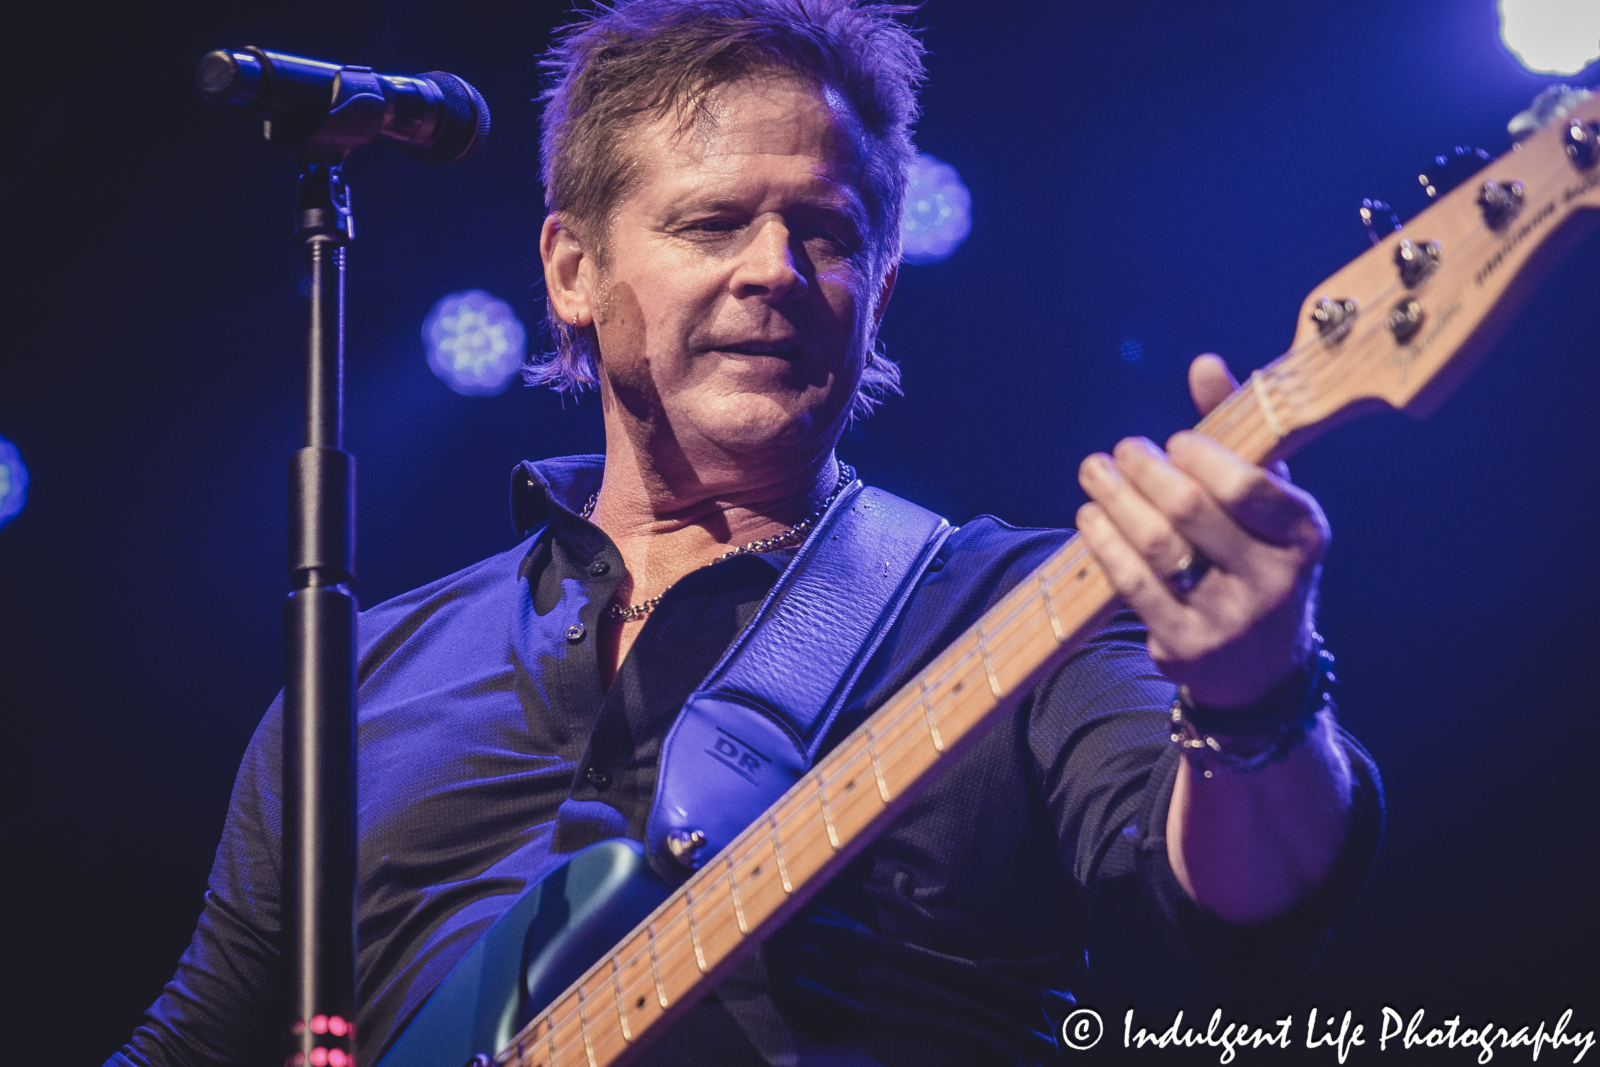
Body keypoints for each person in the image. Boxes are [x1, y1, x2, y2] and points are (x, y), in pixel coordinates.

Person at [107, 2, 1380, 1065]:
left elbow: (1240, 910)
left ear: (878, 291)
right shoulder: (364, 676)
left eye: (823, 233)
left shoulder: (1016, 600)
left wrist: (1254, 694)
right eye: (713, 222)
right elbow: (197, 1035)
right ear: (570, 268)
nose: (775, 267)